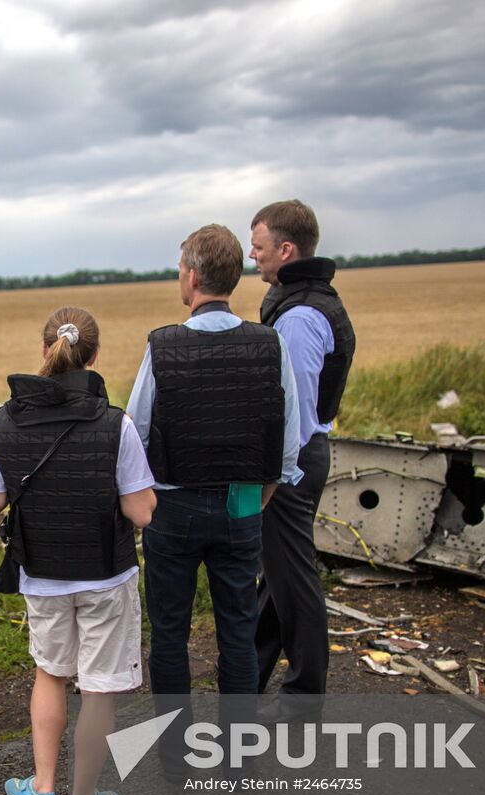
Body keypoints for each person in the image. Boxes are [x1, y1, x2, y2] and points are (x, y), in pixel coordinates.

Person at [0, 306, 157, 795]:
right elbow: (142, 513)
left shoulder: (3, 421)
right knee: (98, 687)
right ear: (93, 356)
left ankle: (41, 789)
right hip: (106, 574)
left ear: (44, 350)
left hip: (42, 574)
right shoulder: (116, 424)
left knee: (50, 674)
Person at [127, 224, 302, 705]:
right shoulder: (270, 344)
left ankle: (174, 746)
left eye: (179, 270)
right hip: (242, 504)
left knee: (169, 634)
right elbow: (288, 442)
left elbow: (137, 434)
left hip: (172, 509)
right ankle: (239, 747)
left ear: (192, 276)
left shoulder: (162, 346)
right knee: (238, 634)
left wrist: (148, 499)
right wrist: (260, 497)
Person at [249, 200, 357, 697]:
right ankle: (248, 678)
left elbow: (293, 410)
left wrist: (272, 476)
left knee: (294, 582)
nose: (253, 256)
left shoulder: (299, 317)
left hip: (292, 462)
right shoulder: (307, 299)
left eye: (259, 246)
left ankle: (304, 694)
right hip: (303, 456)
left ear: (287, 249)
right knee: (279, 577)